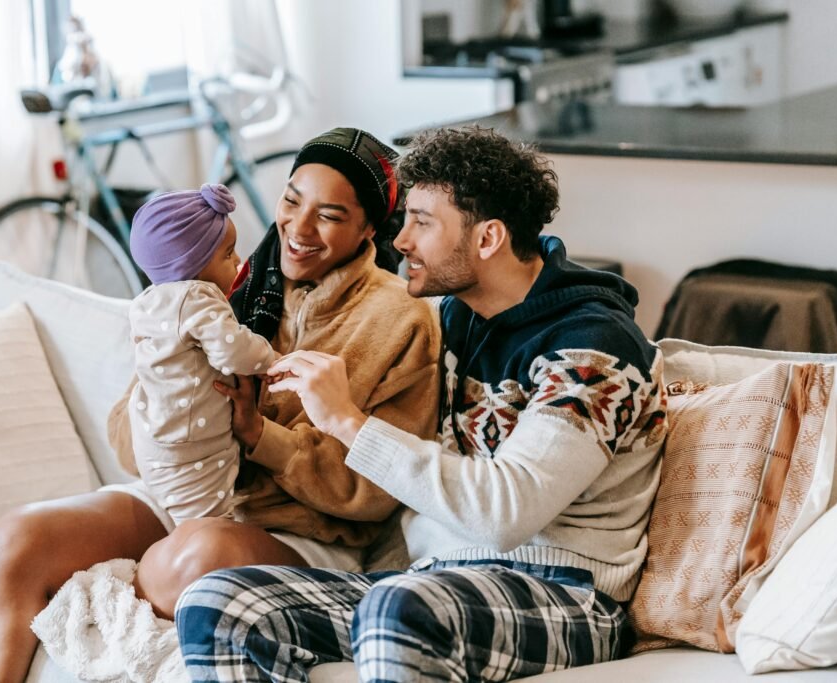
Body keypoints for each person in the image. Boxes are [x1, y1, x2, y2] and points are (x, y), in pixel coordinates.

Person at [0, 127, 440, 683]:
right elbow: (127, 445)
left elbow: (377, 492)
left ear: (369, 227)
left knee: (196, 555)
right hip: (188, 494)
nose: (298, 229)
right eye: (292, 200)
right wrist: (165, 398)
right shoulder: (221, 285)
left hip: (302, 535)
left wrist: (259, 437)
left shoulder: (402, 322)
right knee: (20, 539)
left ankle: (99, 598)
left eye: (329, 215)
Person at [175, 126, 669, 683]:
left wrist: (346, 421)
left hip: (565, 593)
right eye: (405, 218)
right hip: (436, 580)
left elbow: (506, 513)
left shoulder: (593, 347)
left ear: (487, 240)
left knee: (401, 608)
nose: (401, 240)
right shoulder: (456, 318)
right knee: (218, 604)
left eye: (422, 223)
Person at [125, 183, 276, 524]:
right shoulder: (197, 296)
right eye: (228, 253)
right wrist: (272, 360)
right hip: (194, 443)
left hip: (155, 440)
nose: (238, 260)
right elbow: (232, 351)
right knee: (208, 523)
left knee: (185, 520)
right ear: (190, 262)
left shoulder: (146, 302)